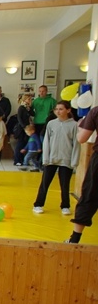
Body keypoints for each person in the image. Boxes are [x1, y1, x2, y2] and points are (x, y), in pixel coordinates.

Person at [33, 101, 80, 215]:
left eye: (61, 109)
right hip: (51, 159)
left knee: (65, 184)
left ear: (68, 110)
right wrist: (46, 158)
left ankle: (65, 206)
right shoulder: (51, 124)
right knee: (45, 183)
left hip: (66, 159)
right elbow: (46, 141)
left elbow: (76, 144)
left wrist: (74, 161)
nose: (58, 111)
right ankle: (38, 204)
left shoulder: (74, 125)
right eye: (56, 109)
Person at [64, 103, 98, 244]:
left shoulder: (96, 111)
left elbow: (81, 138)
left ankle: (75, 239)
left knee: (89, 195)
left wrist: (79, 126)